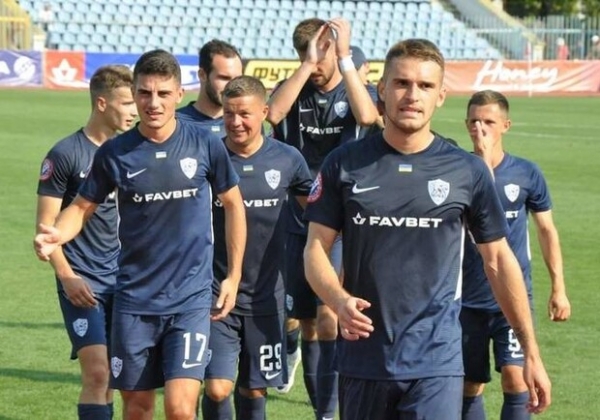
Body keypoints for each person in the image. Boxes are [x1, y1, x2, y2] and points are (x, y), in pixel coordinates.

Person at [303, 38, 551, 420]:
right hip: (363, 357)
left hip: (436, 361)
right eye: (401, 83)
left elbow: (500, 261)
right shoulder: (344, 163)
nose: (412, 95)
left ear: (441, 96)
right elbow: (315, 249)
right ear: (382, 89)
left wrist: (530, 351)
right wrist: (337, 300)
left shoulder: (467, 170)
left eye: (425, 85)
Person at [34, 49, 247, 420]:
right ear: (134, 93)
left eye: (163, 93)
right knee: (137, 407)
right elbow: (80, 209)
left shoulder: (204, 144)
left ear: (179, 93)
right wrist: (56, 235)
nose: (153, 103)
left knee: (180, 410)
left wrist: (233, 275)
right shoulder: (115, 153)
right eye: (145, 93)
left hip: (189, 299)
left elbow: (233, 204)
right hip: (134, 302)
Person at [266, 17, 379, 419]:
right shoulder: (294, 87)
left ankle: (328, 414)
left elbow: (367, 117)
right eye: (305, 56)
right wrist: (307, 63)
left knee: (330, 314)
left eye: (320, 55)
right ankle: (315, 392)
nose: (315, 65)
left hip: (343, 219)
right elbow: (272, 112)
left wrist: (343, 57)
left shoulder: (354, 87)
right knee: (307, 321)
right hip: (298, 216)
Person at [201, 75, 313, 420]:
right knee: (217, 387)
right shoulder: (209, 156)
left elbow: (316, 212)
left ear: (264, 112)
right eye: (229, 114)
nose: (235, 122)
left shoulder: (288, 159)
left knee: (254, 388)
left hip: (267, 294)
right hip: (216, 290)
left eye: (244, 114)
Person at [461, 90, 570, 420]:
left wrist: (559, 288)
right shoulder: (457, 170)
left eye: (488, 122)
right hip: (465, 299)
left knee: (516, 378)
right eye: (474, 121)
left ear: (505, 126)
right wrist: (481, 160)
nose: (480, 128)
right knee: (470, 384)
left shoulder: (526, 172)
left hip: (512, 296)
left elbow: (546, 230)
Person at [36, 65, 137, 420]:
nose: (134, 111)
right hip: (81, 280)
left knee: (116, 377)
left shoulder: (131, 152)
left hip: (125, 280)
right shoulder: (65, 154)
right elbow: (45, 228)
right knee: (97, 373)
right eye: (126, 103)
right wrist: (68, 278)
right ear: (102, 103)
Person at [177, 39, 243, 136]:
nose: (232, 86)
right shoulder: (175, 123)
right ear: (202, 75)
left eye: (237, 79)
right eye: (224, 78)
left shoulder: (246, 124)